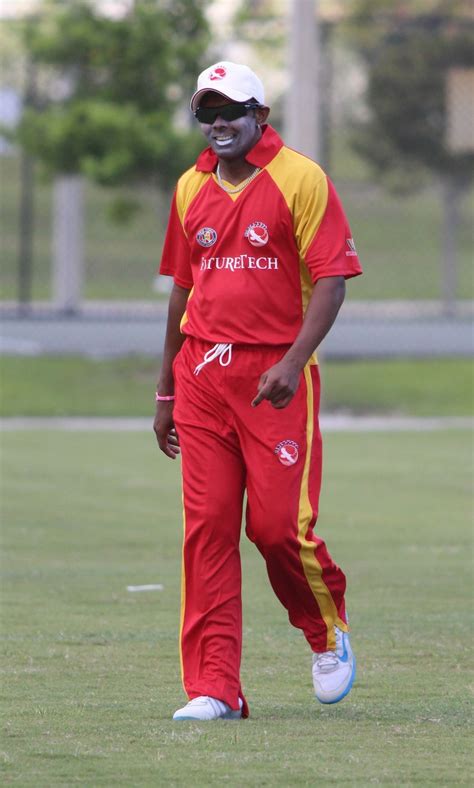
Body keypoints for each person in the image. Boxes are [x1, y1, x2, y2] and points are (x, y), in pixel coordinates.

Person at [154, 61, 362, 721]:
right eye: (208, 112)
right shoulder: (191, 186)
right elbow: (182, 293)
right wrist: (164, 392)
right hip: (201, 377)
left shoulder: (302, 178)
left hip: (276, 378)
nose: (219, 123)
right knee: (208, 528)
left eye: (232, 111)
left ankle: (326, 633)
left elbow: (331, 281)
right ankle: (215, 687)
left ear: (260, 117)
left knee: (277, 529)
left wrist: (295, 362)